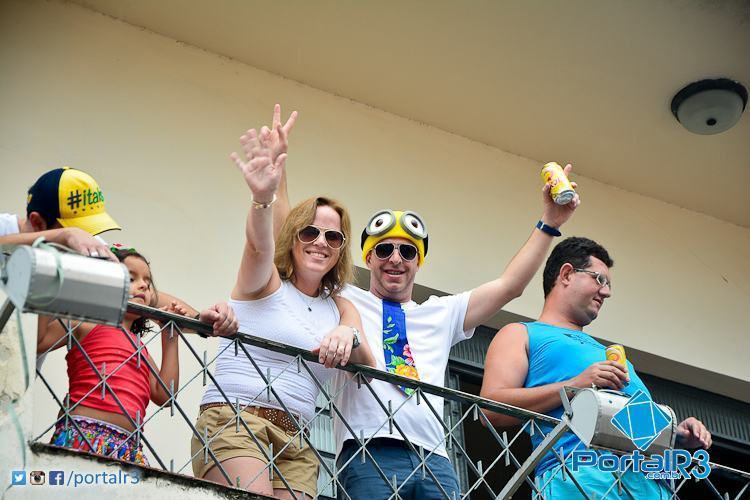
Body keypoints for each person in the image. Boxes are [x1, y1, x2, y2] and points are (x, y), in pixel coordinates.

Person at [270, 105, 580, 498]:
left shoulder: (441, 312)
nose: (395, 259)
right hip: (367, 450)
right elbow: (289, 241)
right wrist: (277, 171)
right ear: (368, 258)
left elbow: (510, 286)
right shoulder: (343, 298)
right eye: (384, 250)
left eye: (407, 251)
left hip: (436, 459)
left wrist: (549, 223)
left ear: (419, 261)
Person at [191, 122, 376, 499]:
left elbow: (368, 366)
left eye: (333, 237)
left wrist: (349, 334)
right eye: (309, 232)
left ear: (340, 250)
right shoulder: (266, 283)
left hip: (297, 443)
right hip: (236, 419)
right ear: (292, 239)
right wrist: (263, 200)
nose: (320, 242)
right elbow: (259, 246)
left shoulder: (340, 307)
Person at [480, 236, 712, 499]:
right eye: (599, 279)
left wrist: (675, 435)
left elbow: (623, 419)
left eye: (608, 284)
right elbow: (490, 409)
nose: (606, 292)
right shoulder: (522, 333)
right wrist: (574, 386)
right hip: (579, 477)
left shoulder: (607, 354)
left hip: (650, 484)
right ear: (566, 274)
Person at [39, 245, 238, 464]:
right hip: (81, 433)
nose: (143, 285)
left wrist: (169, 334)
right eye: (131, 278)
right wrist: (47, 284)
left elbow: (165, 396)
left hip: (128, 447)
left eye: (147, 282)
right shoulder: (85, 321)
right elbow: (40, 341)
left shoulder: (139, 347)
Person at [0, 166, 119, 260]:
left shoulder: (87, 239)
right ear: (37, 222)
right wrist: (64, 235)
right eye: (75, 228)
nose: (82, 236)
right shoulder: (4, 226)